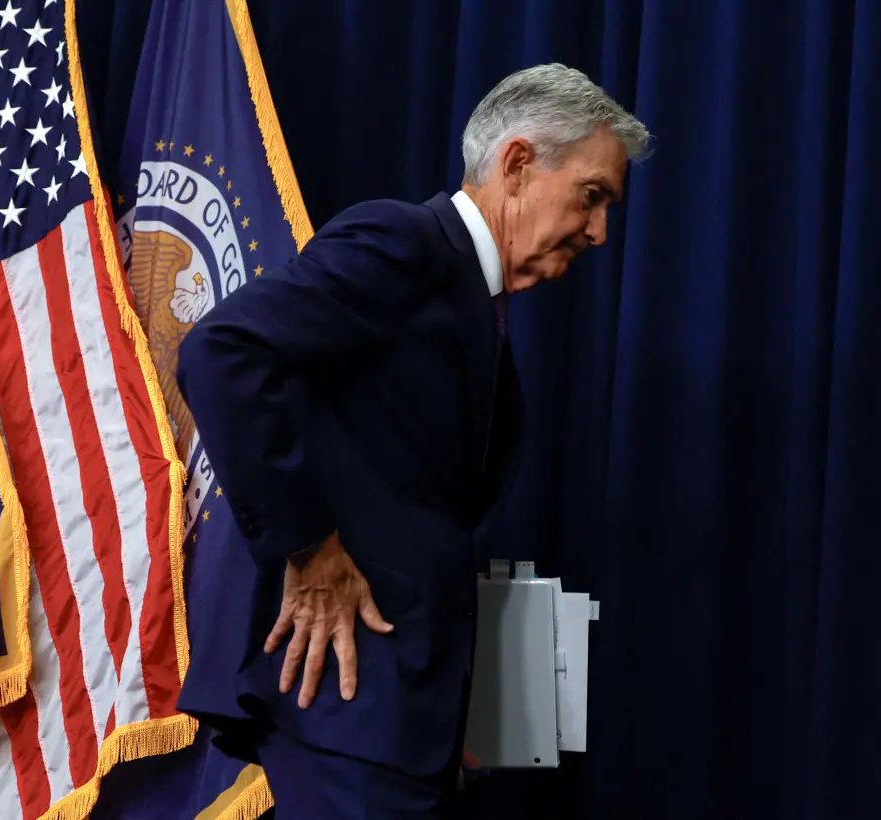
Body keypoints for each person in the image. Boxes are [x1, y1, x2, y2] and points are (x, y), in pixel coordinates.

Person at [174, 63, 651, 818]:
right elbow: (220, 352)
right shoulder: (404, 240)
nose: (598, 232)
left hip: (407, 719)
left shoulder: (468, 299)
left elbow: (431, 518)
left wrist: (460, 711)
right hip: (349, 699)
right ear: (519, 164)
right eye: (591, 197)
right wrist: (309, 548)